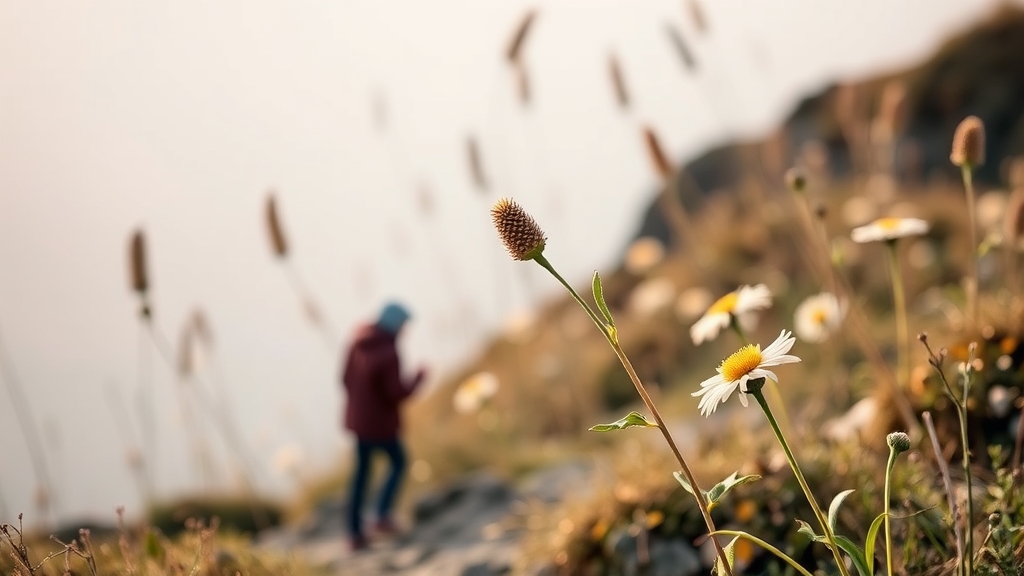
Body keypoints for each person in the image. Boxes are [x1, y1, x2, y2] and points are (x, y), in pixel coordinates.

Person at [340, 301, 426, 552]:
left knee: (360, 476)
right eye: (404, 325)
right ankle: (380, 514)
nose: (404, 331)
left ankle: (354, 534)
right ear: (396, 324)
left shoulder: (356, 341)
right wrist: (419, 378)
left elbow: (344, 378)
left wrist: (359, 402)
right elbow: (396, 393)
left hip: (358, 422)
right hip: (380, 425)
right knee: (399, 462)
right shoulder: (389, 352)